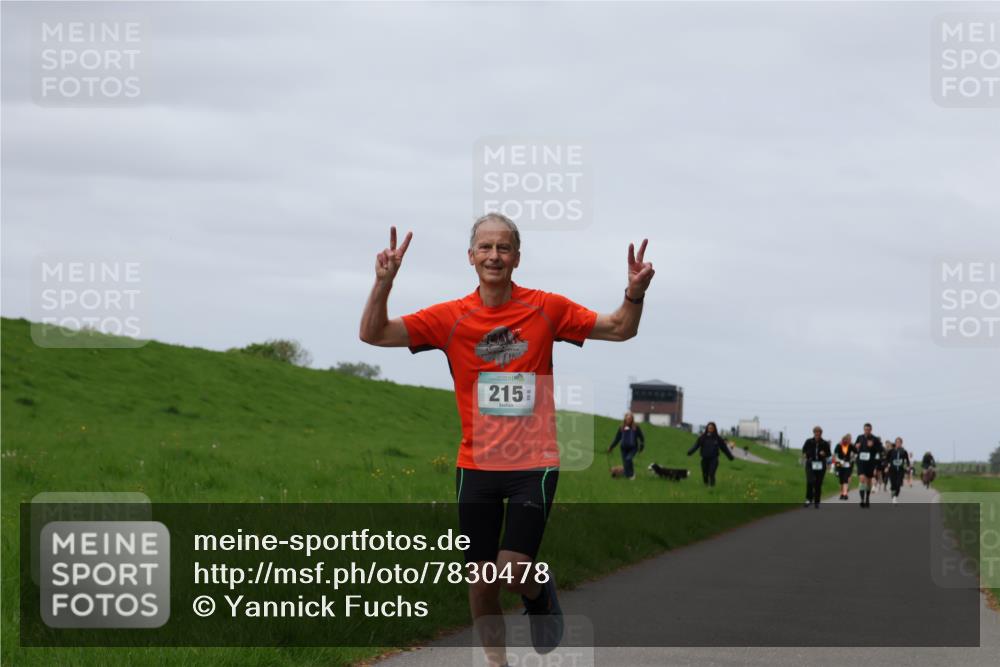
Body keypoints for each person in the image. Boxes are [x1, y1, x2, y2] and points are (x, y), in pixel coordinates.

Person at [358, 214, 654, 665]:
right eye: (485, 247)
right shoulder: (449, 317)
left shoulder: (545, 308)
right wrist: (383, 282)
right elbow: (373, 334)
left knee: (512, 570)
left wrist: (634, 292)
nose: (494, 256)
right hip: (475, 466)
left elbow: (620, 328)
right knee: (480, 582)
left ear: (517, 257)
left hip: (532, 462)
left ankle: (538, 590)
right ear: (471, 256)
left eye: (503, 248)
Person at [687, 422, 734, 487]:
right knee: (705, 474)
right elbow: (696, 446)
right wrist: (690, 452)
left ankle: (712, 487)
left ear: (714, 429)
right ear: (707, 428)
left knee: (711, 473)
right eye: (709, 428)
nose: (710, 429)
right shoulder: (702, 437)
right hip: (704, 459)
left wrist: (730, 457)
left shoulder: (718, 438)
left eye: (711, 428)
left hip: (714, 459)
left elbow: (724, 448)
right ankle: (706, 485)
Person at [607, 412, 645, 480]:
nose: (628, 420)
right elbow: (617, 438)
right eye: (627, 419)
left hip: (633, 448)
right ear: (625, 419)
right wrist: (611, 447)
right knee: (625, 463)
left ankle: (632, 475)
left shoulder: (636, 427)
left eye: (630, 419)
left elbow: (641, 438)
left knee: (628, 459)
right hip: (623, 448)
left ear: (632, 419)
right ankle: (627, 476)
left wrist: (641, 447)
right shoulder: (621, 427)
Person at [854, 423, 884, 508]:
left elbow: (880, 449)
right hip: (861, 461)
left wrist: (873, 446)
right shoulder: (860, 437)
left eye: (868, 430)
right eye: (865, 429)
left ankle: (867, 498)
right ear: (863, 429)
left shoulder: (875, 439)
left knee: (869, 482)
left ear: (871, 430)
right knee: (862, 479)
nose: (866, 431)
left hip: (870, 462)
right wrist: (856, 446)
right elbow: (855, 447)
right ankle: (862, 500)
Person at [802, 426, 832, 508]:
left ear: (821, 433)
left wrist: (824, 454)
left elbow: (829, 454)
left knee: (818, 483)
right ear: (814, 433)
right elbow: (803, 450)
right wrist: (806, 454)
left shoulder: (825, 443)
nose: (817, 434)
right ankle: (808, 499)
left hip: (821, 464)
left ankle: (817, 502)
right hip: (810, 463)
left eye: (819, 432)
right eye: (816, 432)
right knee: (810, 481)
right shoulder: (809, 441)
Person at [886, 437, 910, 504]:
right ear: (895, 443)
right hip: (892, 470)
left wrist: (908, 466)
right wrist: (887, 466)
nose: (898, 444)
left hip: (900, 470)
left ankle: (895, 497)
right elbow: (887, 459)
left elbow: (907, 460)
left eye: (899, 442)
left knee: (898, 484)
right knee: (893, 484)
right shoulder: (891, 451)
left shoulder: (904, 452)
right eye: (897, 442)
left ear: (901, 443)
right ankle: (893, 493)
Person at [832, 434, 855, 500]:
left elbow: (856, 452)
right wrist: (837, 461)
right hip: (839, 463)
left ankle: (845, 494)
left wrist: (852, 458)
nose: (845, 443)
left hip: (847, 464)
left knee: (845, 479)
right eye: (844, 441)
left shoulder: (850, 446)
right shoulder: (838, 445)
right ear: (842, 441)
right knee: (841, 480)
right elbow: (835, 454)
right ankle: (842, 493)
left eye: (847, 441)